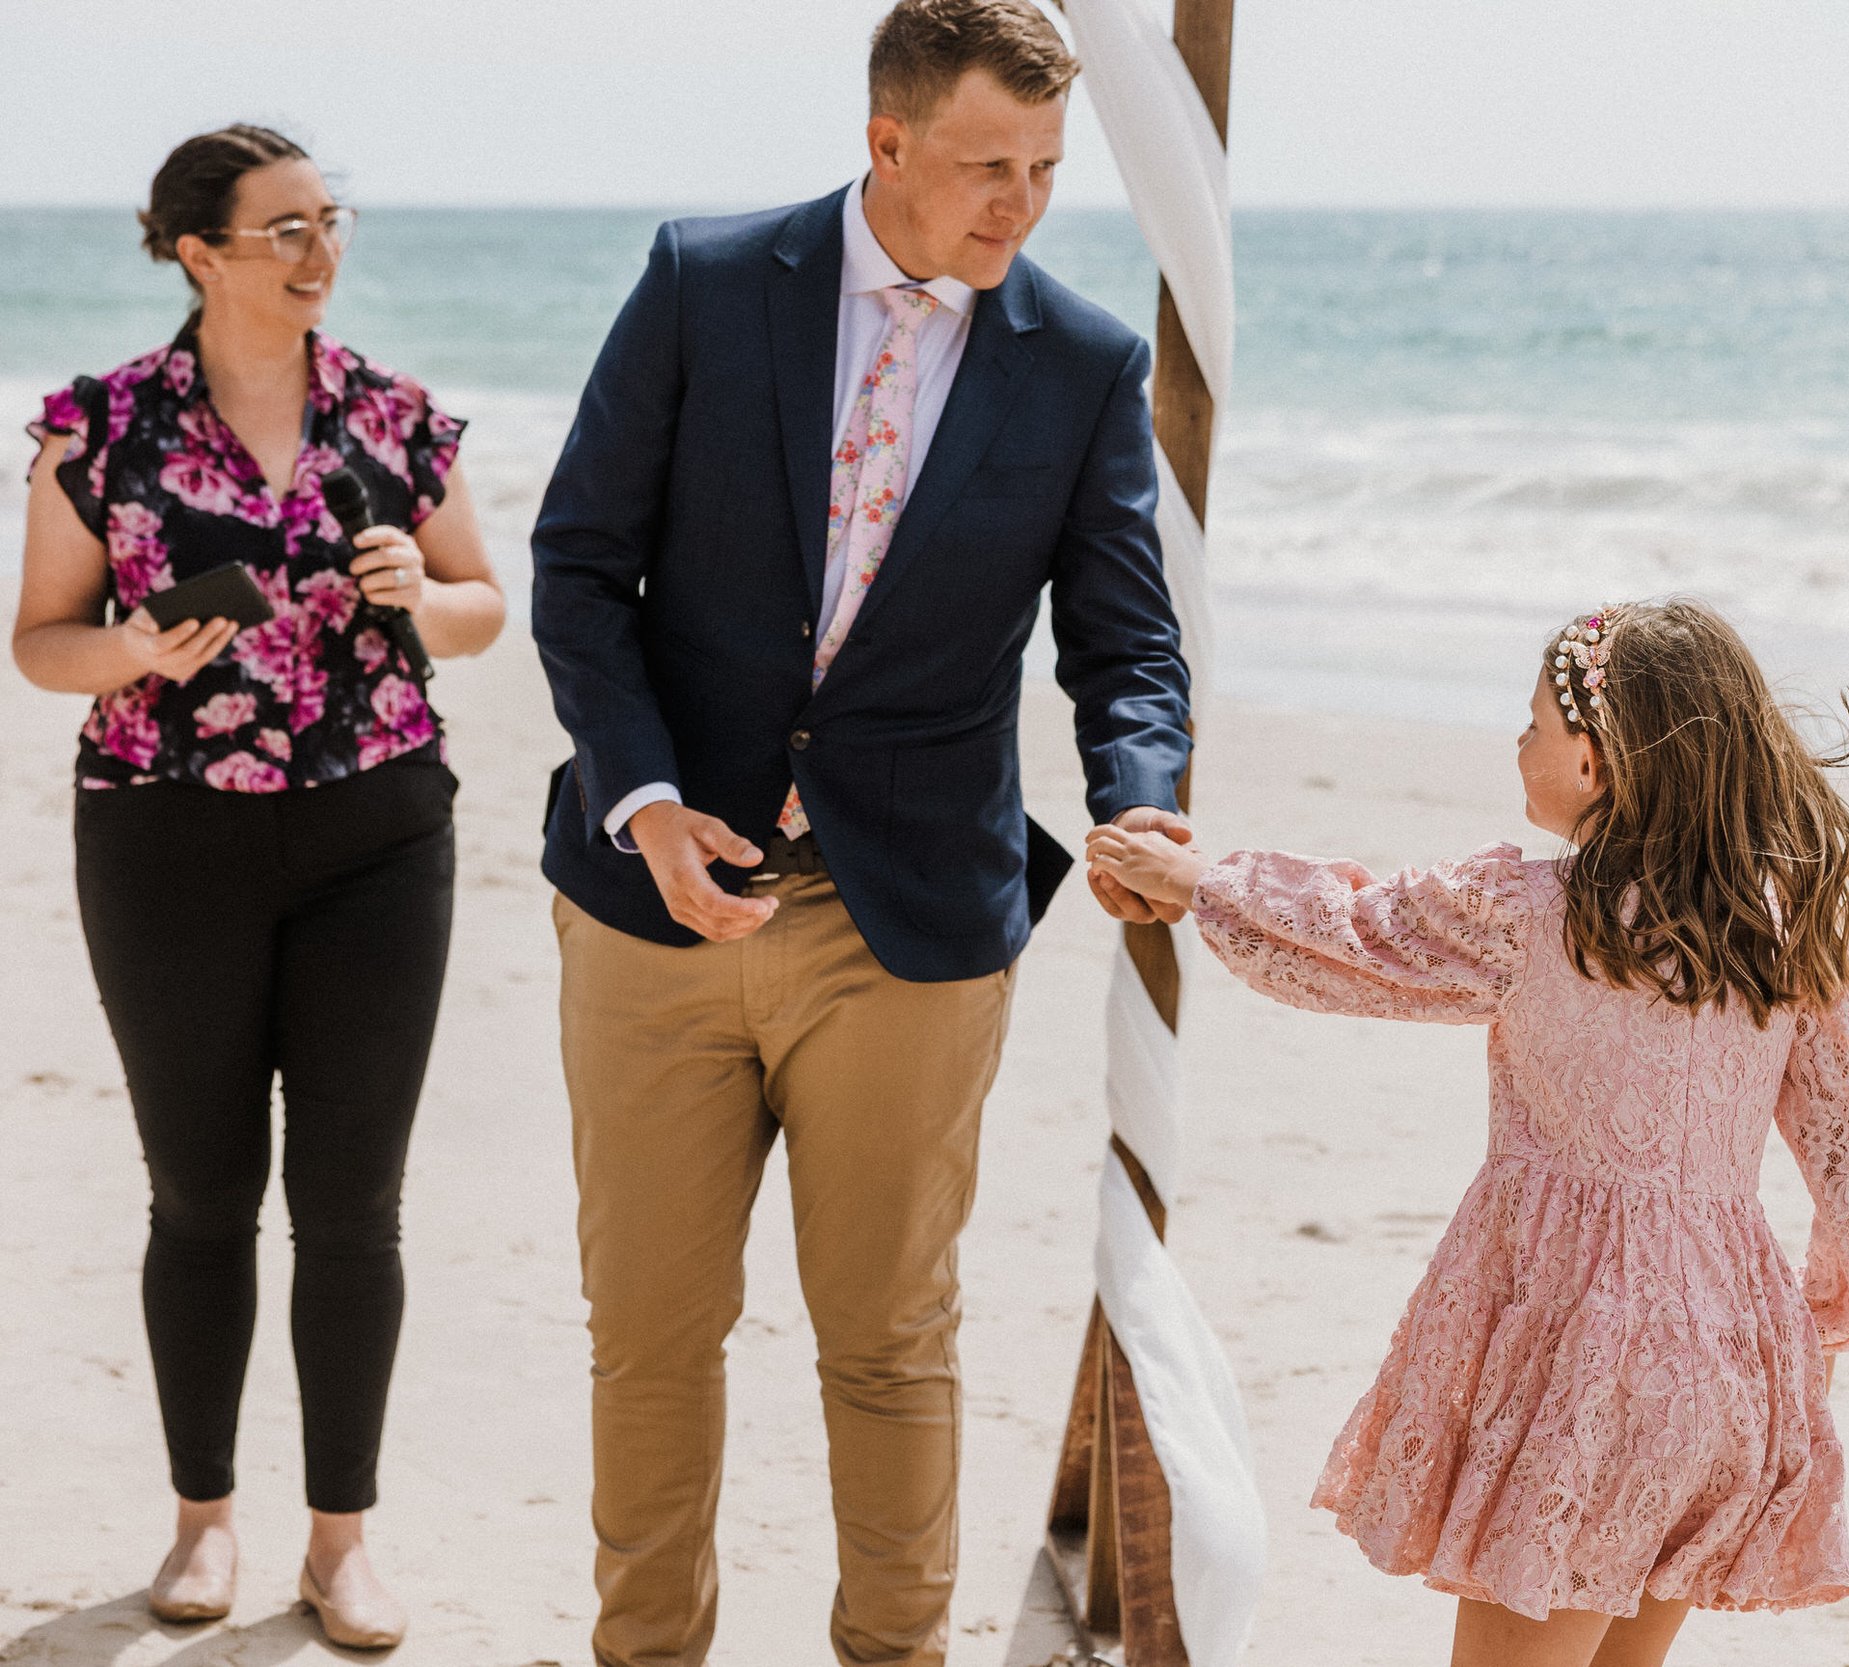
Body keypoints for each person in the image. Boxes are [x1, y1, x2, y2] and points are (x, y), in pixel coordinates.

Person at [528, 1, 1191, 1661]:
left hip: (915, 925)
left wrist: (1139, 794)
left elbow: (1124, 643)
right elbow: (578, 568)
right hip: (652, 900)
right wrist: (651, 797)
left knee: (893, 1340)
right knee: (651, 1337)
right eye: (987, 166)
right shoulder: (701, 281)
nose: (1019, 203)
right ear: (888, 141)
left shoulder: (1089, 360)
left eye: (1045, 169)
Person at [1087, 598, 1849, 1667]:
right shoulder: (1772, 933)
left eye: (1536, 721)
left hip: (1583, 1361)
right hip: (1732, 1360)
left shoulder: (1534, 913)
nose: (1519, 739)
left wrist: (1197, 881)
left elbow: (1360, 935)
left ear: (1592, 763)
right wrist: (1820, 1320)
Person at [11, 125, 505, 1648]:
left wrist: (426, 597)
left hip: (378, 834)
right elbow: (40, 639)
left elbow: (485, 607)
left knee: (354, 1203)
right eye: (283, 227)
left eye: (329, 220)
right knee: (201, 1194)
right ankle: (204, 1521)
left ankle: (341, 1541)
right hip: (165, 838)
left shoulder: (396, 416)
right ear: (198, 251)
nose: (318, 250)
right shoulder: (101, 429)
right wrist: (140, 649)